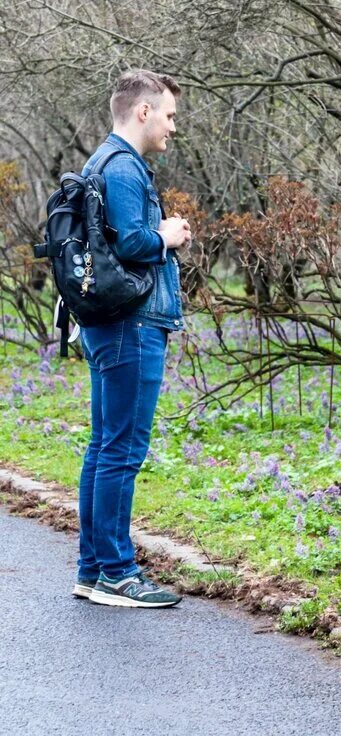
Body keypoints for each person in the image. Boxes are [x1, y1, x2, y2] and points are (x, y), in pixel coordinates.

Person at [72, 69, 192, 608]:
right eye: (168, 115)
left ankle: (93, 569)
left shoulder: (102, 162)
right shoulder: (122, 168)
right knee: (121, 449)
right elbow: (131, 244)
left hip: (111, 323)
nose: (172, 126)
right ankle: (117, 574)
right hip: (131, 324)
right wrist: (166, 234)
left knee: (105, 446)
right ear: (142, 111)